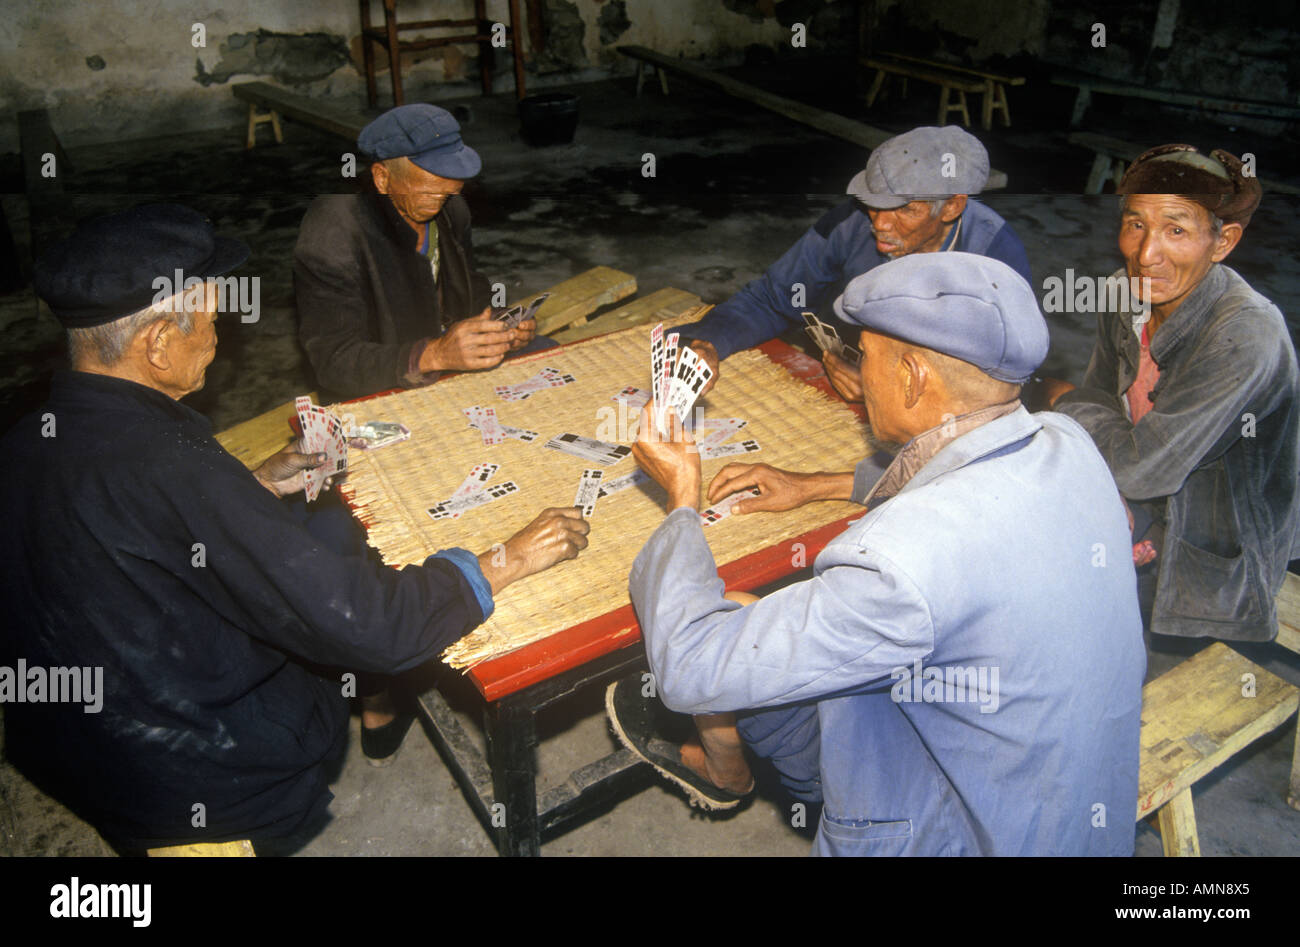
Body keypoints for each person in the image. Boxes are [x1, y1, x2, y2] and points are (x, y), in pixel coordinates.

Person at [0, 204, 590, 853]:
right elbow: (377, 627)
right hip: (194, 780)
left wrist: (248, 486)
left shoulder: (28, 440)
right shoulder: (178, 466)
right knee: (370, 592)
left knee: (331, 529)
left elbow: (120, 523)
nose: (220, 340)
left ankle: (378, 711)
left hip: (73, 744)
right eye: (212, 323)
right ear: (159, 345)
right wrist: (506, 557)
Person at [610, 253, 1145, 855]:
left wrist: (681, 497)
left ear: (914, 377)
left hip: (972, 831)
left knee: (725, 638)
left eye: (866, 358)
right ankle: (728, 768)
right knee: (750, 620)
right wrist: (811, 485)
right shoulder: (1066, 440)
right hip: (1069, 797)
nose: (858, 376)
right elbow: (959, 476)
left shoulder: (897, 563)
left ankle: (733, 766)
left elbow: (687, 668)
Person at [1049, 144, 1299, 641]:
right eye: (1135, 224)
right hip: (1144, 505)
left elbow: (1139, 463)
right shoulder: (1125, 292)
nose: (1146, 254)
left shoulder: (1244, 334)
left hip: (1214, 548)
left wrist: (1061, 400)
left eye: (1177, 230)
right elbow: (1104, 398)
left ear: (1223, 241)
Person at [678, 125, 1032, 402]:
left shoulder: (995, 258)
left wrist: (888, 389)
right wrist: (710, 340)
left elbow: (1006, 381)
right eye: (874, 203)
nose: (880, 224)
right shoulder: (850, 225)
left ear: (952, 207)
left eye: (907, 209)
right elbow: (771, 299)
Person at [295, 103, 541, 402]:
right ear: (382, 178)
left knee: (549, 368)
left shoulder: (451, 209)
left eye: (450, 187)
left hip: (443, 370)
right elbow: (334, 363)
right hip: (377, 394)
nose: (443, 198)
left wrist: (501, 328)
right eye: (429, 188)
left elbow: (470, 291)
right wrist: (435, 355)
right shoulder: (333, 231)